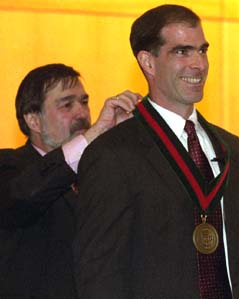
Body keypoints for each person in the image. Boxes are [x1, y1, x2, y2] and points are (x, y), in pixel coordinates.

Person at [74, 4, 239, 299]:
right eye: (182, 52)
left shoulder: (235, 149)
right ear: (148, 62)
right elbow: (98, 272)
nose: (199, 64)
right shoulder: (112, 154)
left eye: (202, 50)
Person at [0, 63, 140, 299]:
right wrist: (94, 133)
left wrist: (123, 141)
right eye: (67, 105)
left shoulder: (101, 172)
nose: (82, 114)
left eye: (84, 102)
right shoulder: (10, 166)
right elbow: (26, 195)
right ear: (33, 120)